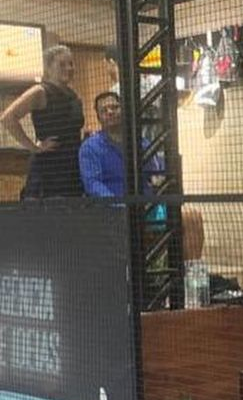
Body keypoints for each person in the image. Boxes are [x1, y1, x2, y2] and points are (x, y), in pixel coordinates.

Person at [79, 91, 206, 267]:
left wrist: (159, 180)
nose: (110, 112)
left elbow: (157, 171)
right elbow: (92, 184)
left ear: (123, 110)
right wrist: (122, 205)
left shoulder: (141, 142)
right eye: (104, 110)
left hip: (147, 206)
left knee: (191, 217)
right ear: (99, 117)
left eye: (114, 107)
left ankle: (192, 276)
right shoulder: (90, 147)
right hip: (114, 212)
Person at [0, 44, 84, 198]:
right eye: (62, 64)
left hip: (72, 167)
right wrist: (33, 147)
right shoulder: (40, 91)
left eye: (71, 64)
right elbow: (8, 118)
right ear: (48, 68)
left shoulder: (73, 95)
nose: (69, 68)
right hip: (49, 168)